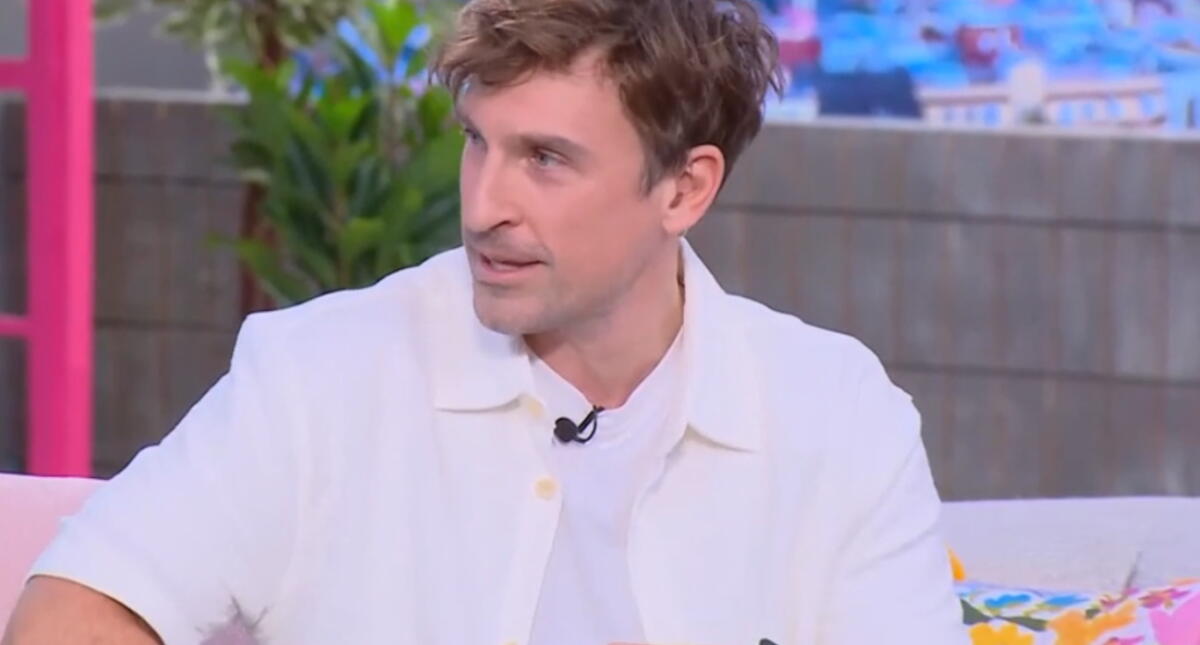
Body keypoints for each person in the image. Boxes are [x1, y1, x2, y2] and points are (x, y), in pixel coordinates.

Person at [3, 1, 967, 643]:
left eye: (545, 159)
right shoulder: (318, 374)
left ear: (684, 188)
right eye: (477, 143)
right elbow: (78, 603)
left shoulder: (839, 416)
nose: (484, 205)